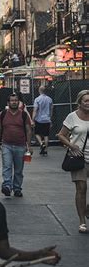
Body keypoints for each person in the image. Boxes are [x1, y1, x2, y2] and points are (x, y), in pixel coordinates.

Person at [57, 90, 89, 233]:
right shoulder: (72, 117)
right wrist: (71, 145)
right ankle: (82, 221)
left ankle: (87, 209)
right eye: (86, 101)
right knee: (81, 189)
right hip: (79, 157)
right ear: (79, 102)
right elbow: (61, 135)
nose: (88, 103)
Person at [0, 93, 33, 198]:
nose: (14, 102)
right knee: (7, 166)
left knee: (18, 170)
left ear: (19, 102)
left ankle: (17, 188)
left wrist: (29, 146)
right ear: (8, 103)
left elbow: (29, 130)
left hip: (21, 146)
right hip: (6, 145)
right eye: (12, 100)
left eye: (16, 100)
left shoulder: (24, 115)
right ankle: (7, 186)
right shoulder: (2, 114)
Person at [32, 85, 53, 156]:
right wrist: (50, 118)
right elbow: (51, 110)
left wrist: (33, 119)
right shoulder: (50, 99)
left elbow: (35, 110)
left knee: (37, 133)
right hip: (47, 119)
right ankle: (46, 150)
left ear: (39, 91)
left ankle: (41, 143)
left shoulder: (37, 99)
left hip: (39, 119)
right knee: (46, 135)